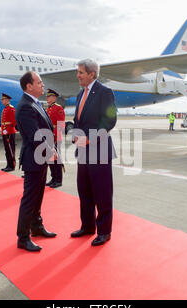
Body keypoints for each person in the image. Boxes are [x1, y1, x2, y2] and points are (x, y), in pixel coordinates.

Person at [71, 58, 117, 247]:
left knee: (102, 192)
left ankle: (104, 231)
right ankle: (87, 226)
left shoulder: (104, 92)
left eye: (81, 72)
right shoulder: (81, 93)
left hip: (99, 149)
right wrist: (75, 134)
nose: (78, 75)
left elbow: (110, 120)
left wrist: (90, 138)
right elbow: (77, 119)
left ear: (91, 74)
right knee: (85, 190)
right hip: (83, 150)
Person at [15, 71, 57, 252]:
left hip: (41, 157)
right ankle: (23, 238)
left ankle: (37, 227)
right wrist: (49, 151)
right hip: (34, 158)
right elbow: (34, 136)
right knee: (30, 198)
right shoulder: (25, 106)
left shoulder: (35, 103)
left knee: (38, 195)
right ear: (29, 86)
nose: (43, 85)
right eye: (39, 83)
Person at [45, 88, 66, 188]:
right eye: (47, 96)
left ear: (54, 97)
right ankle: (53, 178)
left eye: (49, 96)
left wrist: (54, 137)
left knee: (56, 160)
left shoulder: (58, 108)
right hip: (49, 137)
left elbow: (61, 125)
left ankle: (58, 180)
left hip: (55, 137)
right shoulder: (48, 108)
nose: (47, 98)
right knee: (50, 159)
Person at [0, 93, 16, 172]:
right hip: (5, 131)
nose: (2, 101)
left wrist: (8, 130)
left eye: (3, 99)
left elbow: (14, 122)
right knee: (7, 150)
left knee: (10, 149)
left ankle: (12, 165)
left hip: (9, 132)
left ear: (7, 100)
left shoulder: (11, 108)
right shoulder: (5, 109)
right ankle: (8, 164)